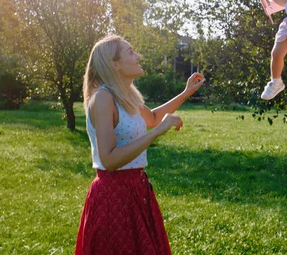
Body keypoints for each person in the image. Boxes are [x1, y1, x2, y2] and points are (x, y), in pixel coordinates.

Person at [75, 35, 205, 255]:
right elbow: (109, 159)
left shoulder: (127, 95)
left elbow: (153, 117)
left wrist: (186, 93)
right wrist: (155, 133)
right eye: (130, 52)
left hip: (136, 189)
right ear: (114, 64)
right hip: (112, 195)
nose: (138, 56)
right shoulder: (103, 99)